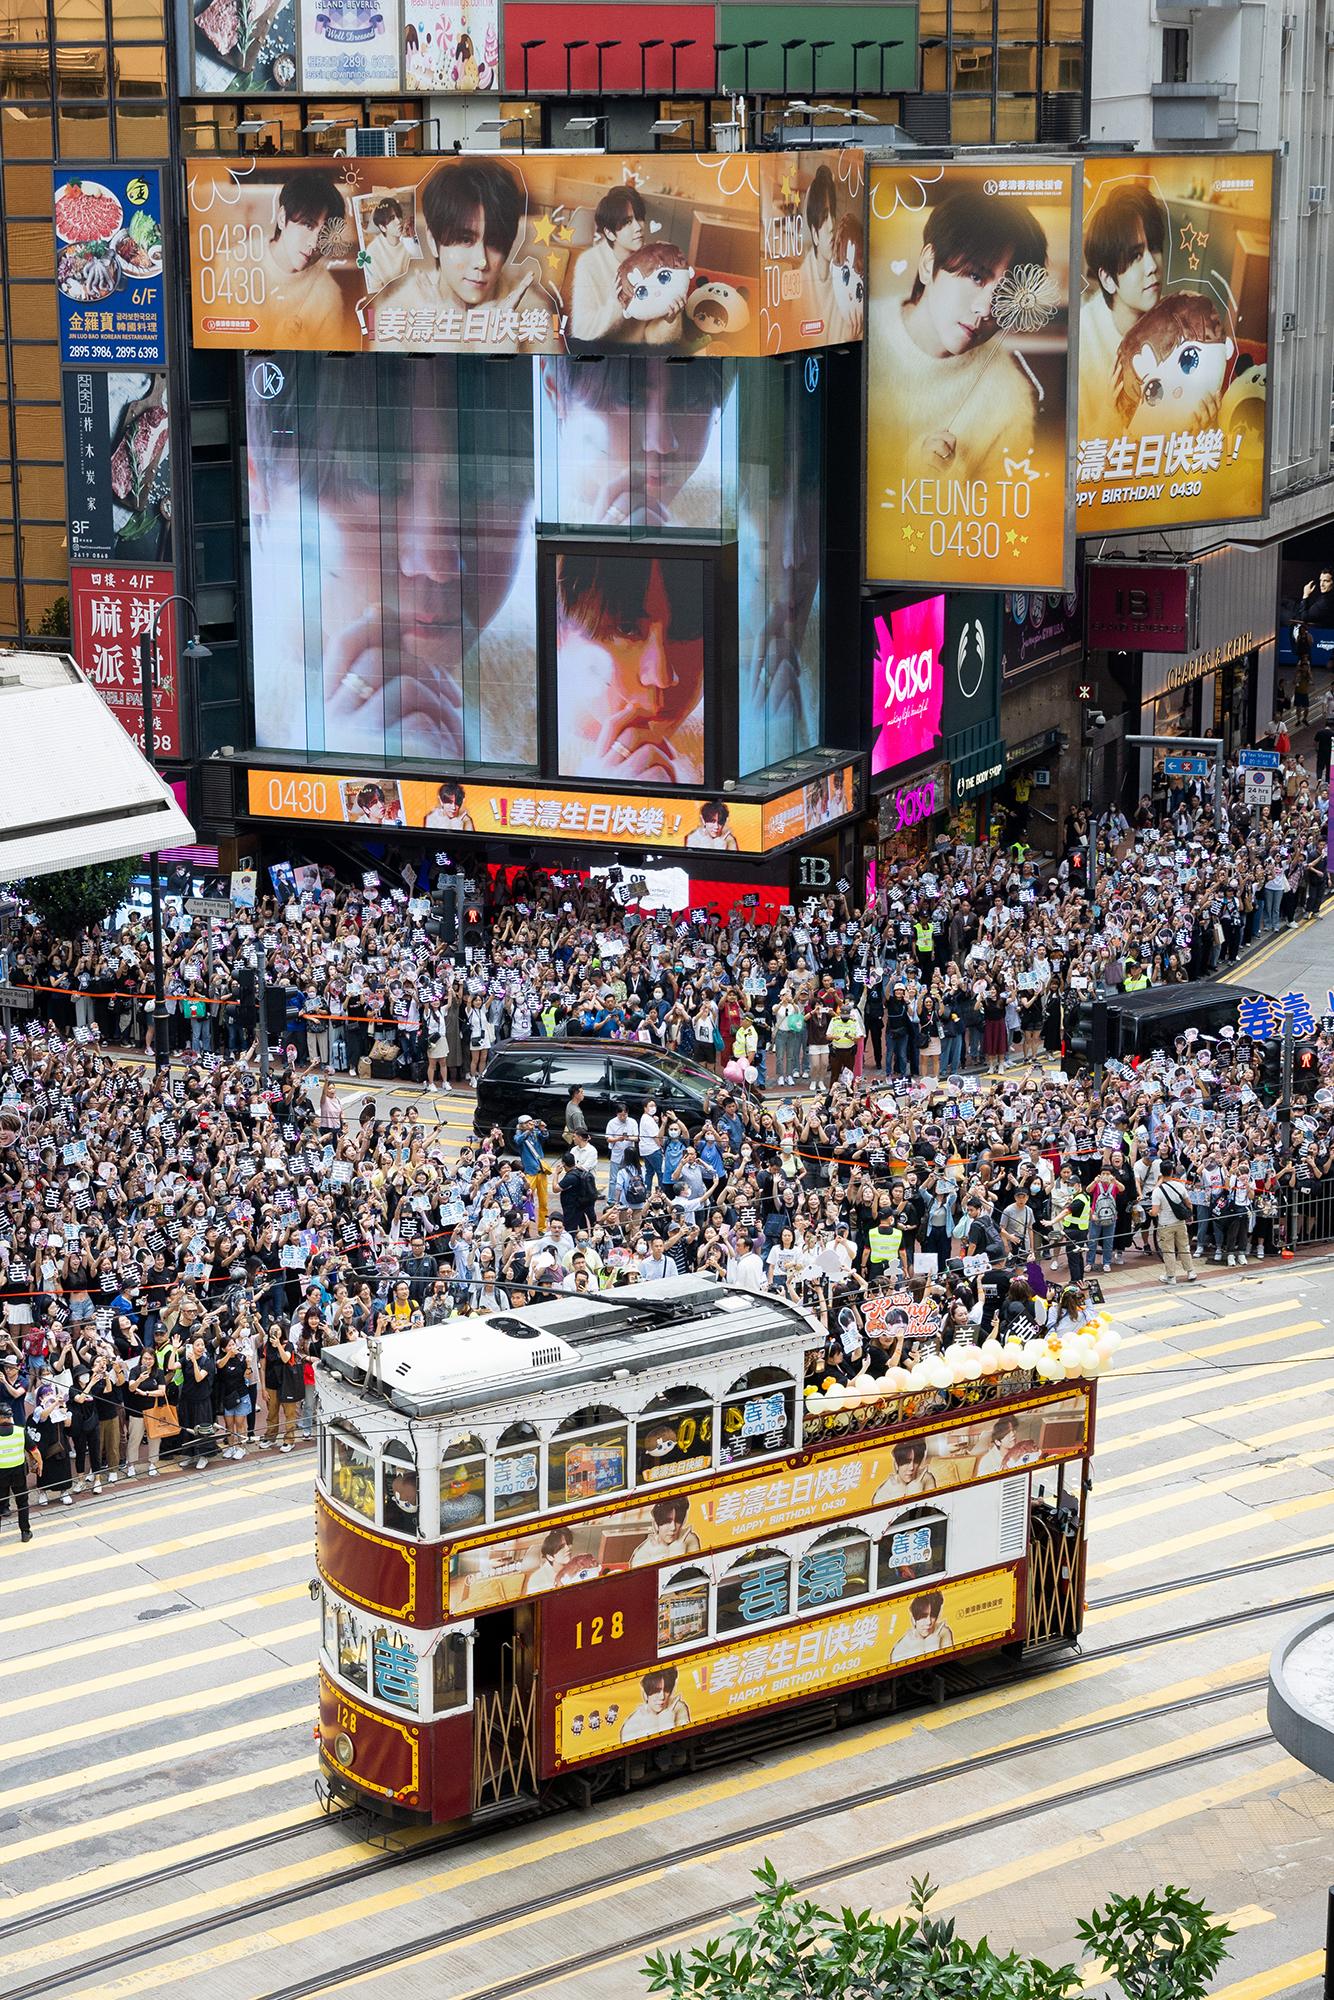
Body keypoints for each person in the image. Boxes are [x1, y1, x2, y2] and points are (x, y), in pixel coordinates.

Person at [870, 188, 1047, 480]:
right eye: (975, 276)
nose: (987, 309)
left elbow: (1004, 515)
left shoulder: (1009, 400)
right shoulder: (863, 334)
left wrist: (949, 488)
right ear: (929, 264)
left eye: (1006, 293)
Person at [555, 555, 705, 783]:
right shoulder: (517, 752)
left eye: (687, 629)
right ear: (559, 634)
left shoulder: (732, 743)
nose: (661, 677)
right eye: (626, 629)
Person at [370, 156, 536, 352]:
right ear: (433, 241)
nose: (481, 261)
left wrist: (499, 343)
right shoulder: (398, 317)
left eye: (494, 242)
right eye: (466, 240)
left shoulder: (532, 314)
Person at [1079, 181, 1166, 437]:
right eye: (1136, 255)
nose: (1152, 265)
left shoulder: (1174, 320)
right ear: (1107, 279)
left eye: (1155, 248)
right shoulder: (1083, 343)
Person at [255, 171, 350, 347]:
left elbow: (329, 364)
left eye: (325, 233)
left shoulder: (328, 295)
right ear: (283, 218)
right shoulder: (236, 262)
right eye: (308, 225)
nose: (315, 243)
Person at [619, 1665, 691, 1743]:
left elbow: (683, 1741)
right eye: (656, 1691)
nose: (662, 1697)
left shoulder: (679, 1708)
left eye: (667, 1690)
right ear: (645, 1693)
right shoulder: (632, 1725)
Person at [630, 1495, 702, 1567]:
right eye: (667, 1521)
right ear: (656, 1524)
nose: (673, 1528)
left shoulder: (689, 1539)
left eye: (678, 1520)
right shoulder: (641, 1556)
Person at [0, 1401, 36, 1542]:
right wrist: (38, 1464)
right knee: (22, 1503)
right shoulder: (20, 1431)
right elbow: (34, 1451)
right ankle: (25, 1532)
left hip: (1, 1475)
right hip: (18, 1473)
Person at [890, 1589, 955, 1663]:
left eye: (933, 1615)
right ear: (913, 1619)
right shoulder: (900, 1650)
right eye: (923, 1616)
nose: (929, 1622)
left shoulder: (943, 1632)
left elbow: (947, 1662)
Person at [364, 198, 414, 294]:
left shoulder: (410, 242)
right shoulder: (372, 251)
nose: (398, 221)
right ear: (382, 227)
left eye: (398, 216)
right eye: (392, 218)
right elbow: (374, 291)